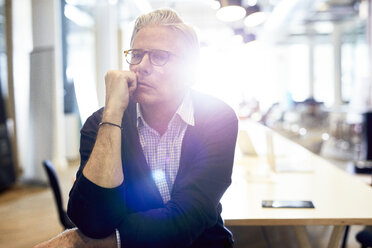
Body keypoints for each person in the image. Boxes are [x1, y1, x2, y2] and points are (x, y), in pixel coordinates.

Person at [35, 8, 238, 248]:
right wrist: (112, 113)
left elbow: (187, 220)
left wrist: (91, 244)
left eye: (159, 56)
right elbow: (91, 220)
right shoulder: (99, 123)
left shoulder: (217, 118)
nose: (141, 66)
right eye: (137, 54)